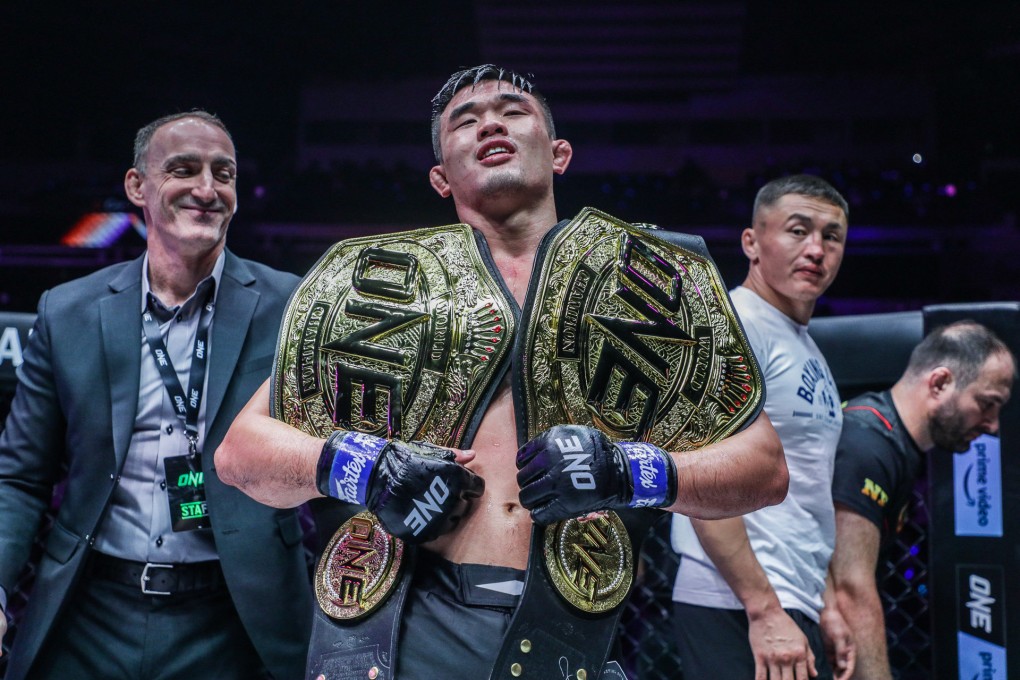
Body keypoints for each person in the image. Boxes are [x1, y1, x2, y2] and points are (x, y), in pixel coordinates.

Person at [217, 64, 788, 680]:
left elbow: (763, 469)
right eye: (465, 120)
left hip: (575, 628)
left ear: (560, 153)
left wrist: (630, 472)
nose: (490, 121)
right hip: (408, 625)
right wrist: (366, 469)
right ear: (440, 176)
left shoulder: (646, 285)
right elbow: (241, 455)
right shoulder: (375, 291)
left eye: (513, 110)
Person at [0, 111, 311, 679]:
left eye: (224, 173)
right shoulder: (66, 311)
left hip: (239, 615)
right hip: (88, 612)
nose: (207, 189)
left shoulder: (294, 308)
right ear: (137, 186)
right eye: (184, 169)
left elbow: (332, 467)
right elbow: (20, 477)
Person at [670, 174, 855, 680]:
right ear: (752, 242)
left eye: (831, 236)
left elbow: (809, 488)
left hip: (790, 593)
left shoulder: (801, 341)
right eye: (798, 230)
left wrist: (827, 602)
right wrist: (763, 609)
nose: (816, 249)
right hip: (738, 602)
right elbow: (701, 478)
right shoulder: (739, 324)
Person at [830, 320, 1015, 680]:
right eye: (986, 404)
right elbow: (849, 588)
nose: (992, 425)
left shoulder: (894, 446)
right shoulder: (867, 446)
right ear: (940, 383)